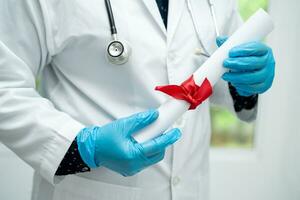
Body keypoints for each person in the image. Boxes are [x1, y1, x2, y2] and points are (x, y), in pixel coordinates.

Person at [0, 0, 275, 200]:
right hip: (88, 190)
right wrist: (82, 146)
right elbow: (5, 87)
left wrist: (246, 85)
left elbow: (218, 70)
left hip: (192, 187)